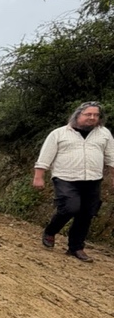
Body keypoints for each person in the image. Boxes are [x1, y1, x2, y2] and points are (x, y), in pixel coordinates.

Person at [34, 101, 114, 262]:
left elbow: (111, 157)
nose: (92, 117)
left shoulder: (104, 134)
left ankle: (76, 247)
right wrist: (38, 176)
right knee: (70, 208)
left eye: (96, 115)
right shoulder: (59, 133)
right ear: (78, 115)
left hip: (93, 179)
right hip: (65, 178)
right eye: (88, 114)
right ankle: (51, 230)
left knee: (86, 214)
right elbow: (45, 156)